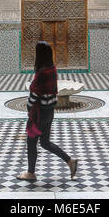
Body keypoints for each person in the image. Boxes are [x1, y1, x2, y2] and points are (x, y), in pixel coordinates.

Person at [17, 41, 78, 181]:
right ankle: (70, 161)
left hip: (38, 115)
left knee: (31, 142)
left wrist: (28, 109)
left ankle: (31, 173)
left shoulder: (41, 73)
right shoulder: (52, 69)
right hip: (49, 112)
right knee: (44, 142)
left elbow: (34, 95)